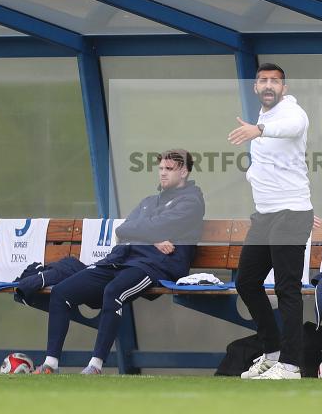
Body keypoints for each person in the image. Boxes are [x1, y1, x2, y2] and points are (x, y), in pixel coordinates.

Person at [33, 149, 205, 374]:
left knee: (114, 291)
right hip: (121, 259)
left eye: (169, 169)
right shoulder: (148, 202)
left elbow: (148, 228)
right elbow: (122, 229)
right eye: (161, 168)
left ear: (184, 172)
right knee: (61, 292)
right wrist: (153, 238)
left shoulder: (192, 202)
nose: (162, 174)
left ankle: (95, 366)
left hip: (155, 266)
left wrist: (145, 232)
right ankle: (50, 364)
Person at [228, 62, 313, 380]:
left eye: (275, 82)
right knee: (246, 282)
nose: (268, 85)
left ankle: (290, 365)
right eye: (262, 80)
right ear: (255, 87)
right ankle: (273, 353)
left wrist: (258, 130)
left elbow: (292, 129)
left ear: (284, 89)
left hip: (290, 214)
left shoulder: (293, 112)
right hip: (266, 216)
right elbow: (271, 163)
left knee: (286, 288)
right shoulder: (263, 117)